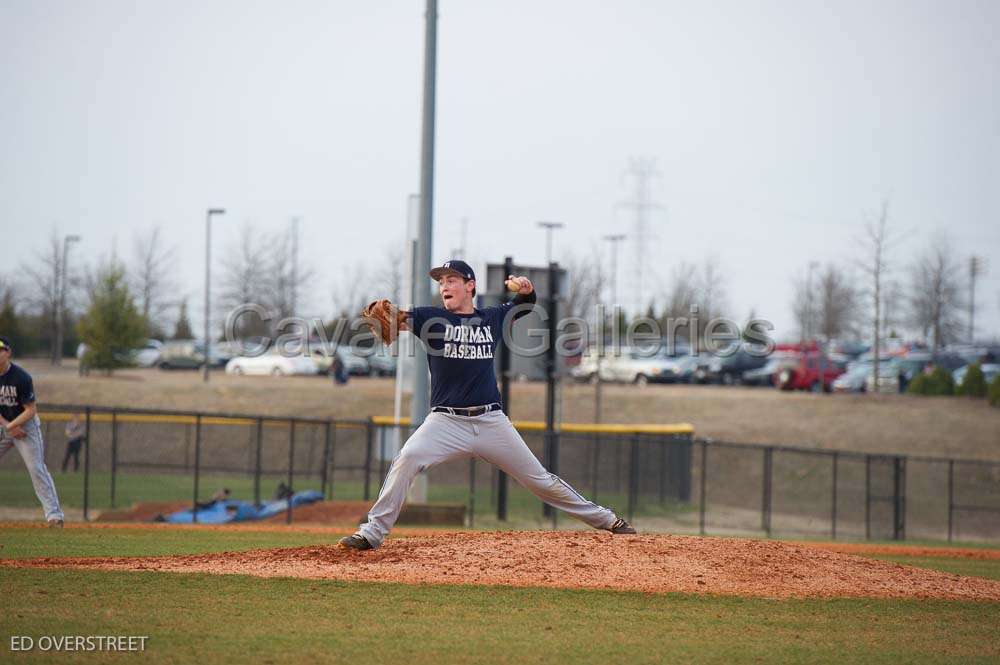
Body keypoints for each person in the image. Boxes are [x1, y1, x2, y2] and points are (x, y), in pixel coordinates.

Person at [339, 260, 636, 551]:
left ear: (470, 286)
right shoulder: (431, 319)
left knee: (540, 481)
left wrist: (526, 289)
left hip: (491, 421)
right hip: (445, 422)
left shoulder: (492, 318)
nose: (445, 286)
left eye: (452, 280)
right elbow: (398, 319)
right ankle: (371, 533)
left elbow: (526, 304)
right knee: (407, 458)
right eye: (441, 282)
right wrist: (390, 317)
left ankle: (608, 520)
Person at [0, 336, 65, 527]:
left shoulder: (21, 377)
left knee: (36, 468)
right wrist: (8, 427)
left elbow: (31, 410)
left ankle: (54, 516)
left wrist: (13, 427)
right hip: (5, 424)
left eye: (0, 349)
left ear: (8, 353)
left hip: (26, 427)